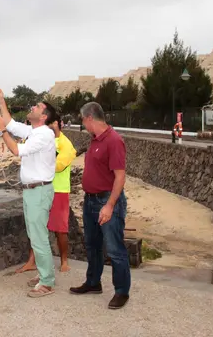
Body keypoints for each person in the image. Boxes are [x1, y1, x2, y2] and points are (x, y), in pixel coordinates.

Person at [0, 86, 57, 298]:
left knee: (38, 237)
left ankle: (47, 282)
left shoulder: (44, 134)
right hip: (32, 191)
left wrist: (2, 131)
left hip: (39, 192)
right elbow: (11, 123)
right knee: (34, 235)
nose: (33, 106)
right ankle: (43, 274)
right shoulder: (34, 131)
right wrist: (2, 100)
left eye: (38, 106)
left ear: (44, 116)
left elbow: (16, 150)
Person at [70, 101, 131, 310]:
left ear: (89, 118)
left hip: (106, 201)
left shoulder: (114, 141)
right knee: (92, 245)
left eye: (82, 120)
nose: (83, 124)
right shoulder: (94, 140)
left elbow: (120, 177)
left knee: (115, 249)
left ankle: (122, 291)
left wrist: (110, 205)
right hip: (90, 200)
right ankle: (93, 282)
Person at [16, 117, 77, 274]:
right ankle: (32, 260)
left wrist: (40, 157)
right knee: (37, 227)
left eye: (49, 123)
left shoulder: (66, 145)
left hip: (59, 190)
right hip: (42, 189)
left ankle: (64, 260)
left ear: (57, 124)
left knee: (60, 229)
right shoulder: (40, 138)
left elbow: (57, 166)